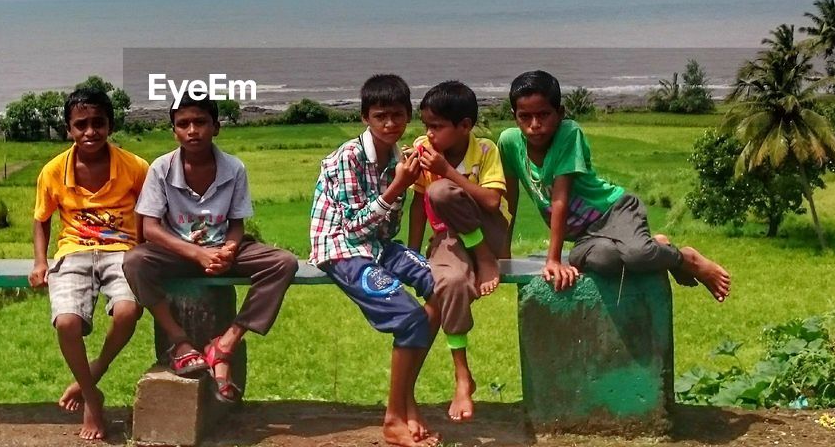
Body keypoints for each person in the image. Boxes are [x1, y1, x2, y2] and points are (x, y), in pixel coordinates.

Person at [122, 96, 299, 403]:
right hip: (178, 251)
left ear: (216, 127)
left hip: (221, 249)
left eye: (201, 122)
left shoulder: (234, 168)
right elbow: (150, 229)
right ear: (174, 131)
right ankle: (178, 341)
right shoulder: (161, 169)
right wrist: (196, 254)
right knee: (135, 261)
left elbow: (236, 223)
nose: (193, 131)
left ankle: (227, 343)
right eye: (183, 124)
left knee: (283, 263)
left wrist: (229, 248)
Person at [497, 70, 731, 301]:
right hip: (585, 235)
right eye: (524, 117)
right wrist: (503, 252)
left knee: (638, 255)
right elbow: (509, 199)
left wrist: (554, 260)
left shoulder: (568, 133)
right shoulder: (509, 142)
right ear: (514, 115)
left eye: (543, 115)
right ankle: (656, 245)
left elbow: (560, 197)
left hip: (614, 211)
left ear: (560, 113)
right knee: (605, 262)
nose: (534, 124)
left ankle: (685, 259)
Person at [309, 74, 439, 447]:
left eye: (397, 116)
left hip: (380, 244)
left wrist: (402, 183)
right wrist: (398, 186)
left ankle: (406, 398)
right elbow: (351, 228)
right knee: (410, 317)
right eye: (380, 116)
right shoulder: (348, 157)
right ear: (365, 117)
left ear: (408, 115)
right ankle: (394, 418)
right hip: (341, 248)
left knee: (443, 287)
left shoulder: (399, 156)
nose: (389, 124)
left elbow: (388, 224)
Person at [28, 87, 148, 441]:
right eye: (81, 125)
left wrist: (142, 253)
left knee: (127, 312)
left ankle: (93, 373)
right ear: (69, 129)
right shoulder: (53, 171)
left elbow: (147, 213)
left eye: (98, 123)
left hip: (122, 250)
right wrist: (39, 261)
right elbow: (41, 218)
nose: (90, 131)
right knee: (66, 322)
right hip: (74, 251)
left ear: (110, 125)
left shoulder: (134, 167)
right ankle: (92, 398)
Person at [405, 80, 508, 423]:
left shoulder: (486, 151)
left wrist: (445, 172)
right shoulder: (422, 149)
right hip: (448, 239)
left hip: (490, 234)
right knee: (449, 284)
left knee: (443, 192)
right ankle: (462, 375)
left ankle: (482, 256)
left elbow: (493, 202)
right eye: (427, 126)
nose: (429, 134)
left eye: (437, 126)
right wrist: (412, 253)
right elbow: (418, 205)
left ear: (465, 126)